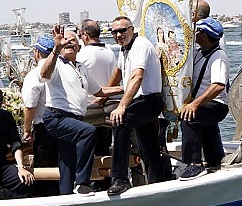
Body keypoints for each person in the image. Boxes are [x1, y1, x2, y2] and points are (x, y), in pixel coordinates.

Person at [104, 16, 167, 196]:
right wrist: (103, 97)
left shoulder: (140, 45)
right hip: (139, 101)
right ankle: (158, 182)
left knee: (121, 122)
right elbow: (118, 73)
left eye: (123, 30)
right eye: (114, 32)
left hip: (149, 100)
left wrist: (122, 106)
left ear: (132, 29)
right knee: (148, 144)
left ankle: (120, 178)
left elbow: (137, 77)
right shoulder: (124, 50)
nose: (119, 34)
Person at [39, 27, 102, 196]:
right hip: (56, 116)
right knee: (88, 132)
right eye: (64, 40)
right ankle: (82, 182)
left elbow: (99, 92)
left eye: (72, 40)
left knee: (67, 160)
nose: (68, 42)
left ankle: (65, 195)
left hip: (75, 118)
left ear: (79, 46)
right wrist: (55, 49)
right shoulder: (56, 63)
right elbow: (44, 74)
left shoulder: (82, 67)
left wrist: (126, 89)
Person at [179, 18, 229, 179]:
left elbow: (218, 85)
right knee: (205, 126)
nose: (195, 34)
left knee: (189, 117)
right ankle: (214, 158)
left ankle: (194, 164)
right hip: (204, 103)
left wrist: (194, 104)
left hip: (217, 104)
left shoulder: (218, 56)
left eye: (198, 31)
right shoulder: (200, 53)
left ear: (205, 36)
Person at [77, 19, 117, 155]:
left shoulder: (83, 55)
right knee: (103, 148)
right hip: (106, 106)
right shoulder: (110, 52)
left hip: (89, 109)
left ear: (84, 36)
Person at [21, 36, 58, 176]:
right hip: (63, 123)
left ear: (36, 53)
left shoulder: (34, 75)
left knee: (46, 167)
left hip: (44, 128)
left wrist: (26, 130)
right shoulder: (63, 70)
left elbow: (30, 106)